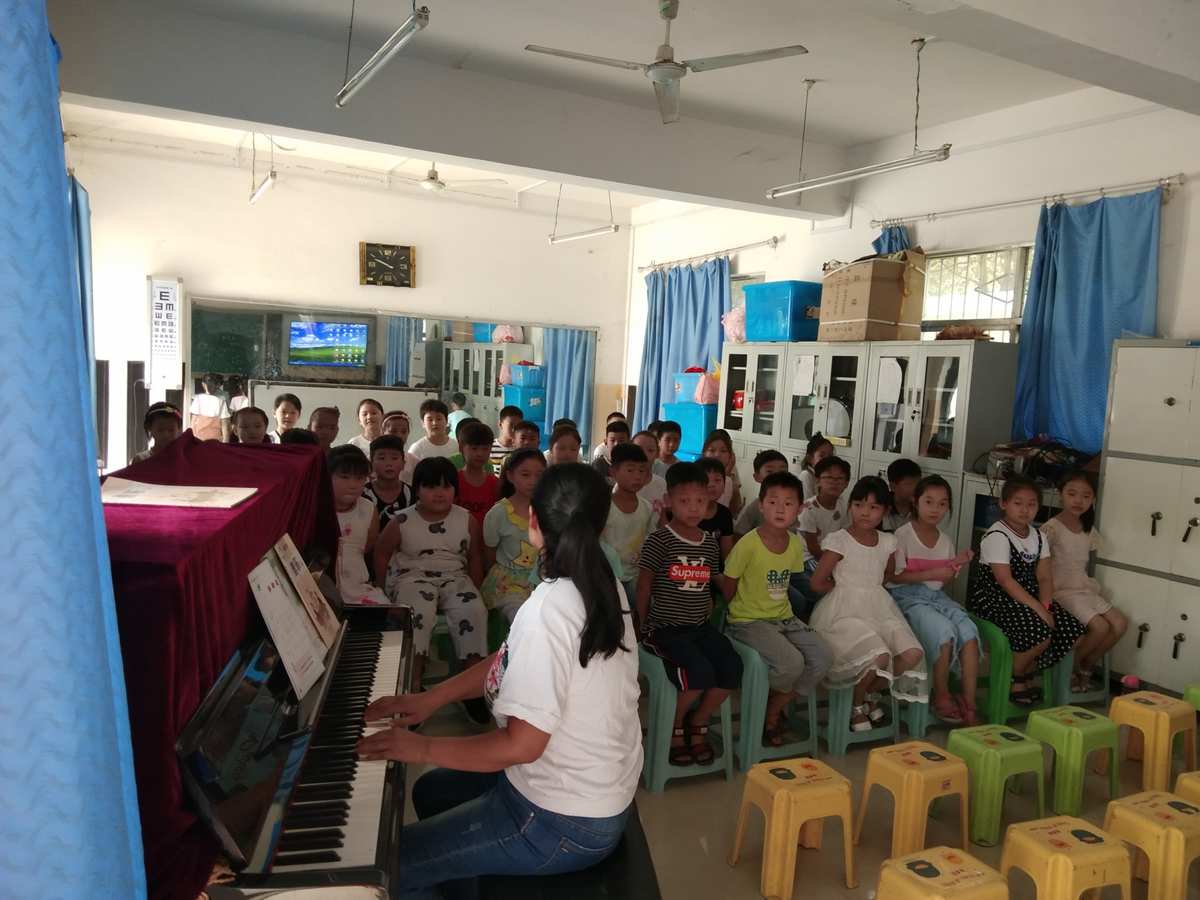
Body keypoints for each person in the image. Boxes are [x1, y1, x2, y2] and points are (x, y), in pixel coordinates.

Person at [358, 464, 641, 895]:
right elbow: (512, 656)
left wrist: (421, 746)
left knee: (392, 867)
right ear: (600, 525)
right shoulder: (600, 577)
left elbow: (522, 746)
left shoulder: (550, 608)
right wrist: (432, 698)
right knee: (433, 791)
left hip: (562, 820)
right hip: (597, 790)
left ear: (533, 519)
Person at [637, 462, 742, 766]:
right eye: (685, 501)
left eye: (700, 501)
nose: (693, 508)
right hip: (666, 628)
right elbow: (644, 586)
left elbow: (708, 584)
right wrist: (642, 626)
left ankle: (699, 719)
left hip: (699, 626)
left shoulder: (709, 543)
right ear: (669, 501)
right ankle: (676, 723)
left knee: (732, 667)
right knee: (699, 673)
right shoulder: (659, 540)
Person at [720, 472, 832, 746]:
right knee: (791, 663)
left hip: (784, 618)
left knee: (823, 657)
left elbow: (790, 581)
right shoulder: (747, 544)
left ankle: (775, 705)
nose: (780, 509)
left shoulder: (795, 543)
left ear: (800, 508)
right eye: (773, 502)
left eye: (788, 503)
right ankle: (761, 705)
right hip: (748, 620)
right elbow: (728, 584)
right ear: (761, 505)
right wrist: (734, 616)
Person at [810, 476, 927, 732]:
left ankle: (869, 695)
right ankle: (856, 705)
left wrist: (868, 589)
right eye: (859, 504)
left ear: (884, 511)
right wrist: (845, 588)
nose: (865, 512)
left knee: (912, 653)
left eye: (874, 507)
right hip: (843, 612)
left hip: (879, 607)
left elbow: (885, 576)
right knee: (879, 655)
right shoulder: (839, 540)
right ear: (850, 506)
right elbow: (817, 582)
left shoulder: (887, 542)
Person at [968, 475, 1085, 706]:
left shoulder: (1039, 536)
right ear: (1004, 504)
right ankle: (1015, 676)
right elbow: (1005, 581)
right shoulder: (997, 535)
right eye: (1018, 503)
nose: (1025, 510)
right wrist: (1040, 611)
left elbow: (1044, 577)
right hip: (996, 598)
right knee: (1040, 632)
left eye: (1031, 504)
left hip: (1029, 596)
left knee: (1074, 631)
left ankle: (1026, 671)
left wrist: (1047, 606)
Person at [373, 457, 488, 690]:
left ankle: (472, 685)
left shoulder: (465, 519)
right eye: (431, 486)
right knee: (417, 612)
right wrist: (382, 591)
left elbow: (475, 556)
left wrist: (476, 588)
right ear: (417, 490)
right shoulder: (402, 520)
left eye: (446, 486)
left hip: (455, 578)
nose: (439, 493)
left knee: (474, 609)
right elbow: (381, 554)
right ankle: (413, 679)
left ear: (455, 490)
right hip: (412, 578)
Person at [887, 475, 980, 725]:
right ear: (916, 502)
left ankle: (969, 702)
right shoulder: (902, 535)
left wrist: (955, 566)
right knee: (944, 631)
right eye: (929, 501)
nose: (935, 509)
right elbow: (893, 576)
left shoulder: (946, 541)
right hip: (906, 599)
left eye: (942, 503)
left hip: (936, 598)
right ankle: (941, 695)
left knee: (969, 632)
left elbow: (940, 583)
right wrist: (933, 573)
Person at [1041, 470, 1127, 693]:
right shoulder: (1051, 528)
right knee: (1099, 626)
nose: (1079, 500)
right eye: (1072, 494)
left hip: (1084, 589)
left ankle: (1086, 663)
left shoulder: (1088, 530)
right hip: (1062, 591)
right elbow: (1040, 568)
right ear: (1061, 495)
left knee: (1119, 623)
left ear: (1093, 500)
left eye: (1086, 496)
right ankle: (1070, 669)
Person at [481, 448, 547, 623]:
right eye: (525, 475)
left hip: (543, 578)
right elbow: (489, 556)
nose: (533, 481)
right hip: (507, 583)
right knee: (522, 615)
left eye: (539, 475)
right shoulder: (498, 513)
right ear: (510, 476)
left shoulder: (550, 509)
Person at [328, 445, 389, 607]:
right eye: (345, 477)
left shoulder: (368, 509)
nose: (353, 485)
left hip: (358, 587)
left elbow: (368, 546)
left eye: (360, 478)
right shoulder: (314, 509)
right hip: (321, 587)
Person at [603, 443, 656, 601]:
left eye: (642, 470)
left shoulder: (647, 507)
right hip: (607, 577)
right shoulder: (604, 505)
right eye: (630, 470)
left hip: (635, 576)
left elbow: (649, 540)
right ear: (613, 472)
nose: (637, 476)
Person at [798, 456, 851, 559]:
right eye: (829, 477)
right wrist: (831, 563)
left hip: (831, 554)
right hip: (808, 558)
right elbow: (813, 548)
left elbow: (845, 535)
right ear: (817, 481)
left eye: (840, 478)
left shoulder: (842, 506)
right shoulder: (808, 509)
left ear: (846, 483)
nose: (834, 482)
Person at [734, 449, 791, 535]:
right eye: (769, 472)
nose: (777, 477)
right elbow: (738, 535)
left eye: (782, 472)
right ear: (757, 476)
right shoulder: (754, 507)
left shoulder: (790, 505)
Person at [362, 435, 410, 531]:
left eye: (394, 458)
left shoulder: (410, 494)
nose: (389, 463)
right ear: (371, 464)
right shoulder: (363, 493)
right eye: (382, 458)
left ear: (403, 464)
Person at [457, 421, 500, 528]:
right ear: (461, 448)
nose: (480, 454)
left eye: (485, 449)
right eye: (474, 448)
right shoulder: (453, 481)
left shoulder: (495, 483)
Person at [696, 456, 735, 561]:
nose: (712, 485)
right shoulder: (685, 512)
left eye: (717, 480)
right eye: (705, 479)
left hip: (715, 572)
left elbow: (726, 555)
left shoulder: (725, 514)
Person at [702, 429, 743, 517]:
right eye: (712, 450)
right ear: (704, 453)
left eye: (723, 451)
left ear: (730, 455)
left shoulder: (731, 474)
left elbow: (735, 510)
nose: (717, 455)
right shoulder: (697, 474)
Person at [633, 430, 669, 521]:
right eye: (638, 449)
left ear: (657, 454)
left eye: (650, 450)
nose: (644, 455)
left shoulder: (662, 484)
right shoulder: (623, 484)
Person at [882, 458, 922, 532]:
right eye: (909, 484)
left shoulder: (922, 509)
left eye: (918, 483)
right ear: (893, 487)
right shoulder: (881, 508)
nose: (916, 488)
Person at [190, 373, 230, 441]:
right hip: (200, 441)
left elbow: (225, 426)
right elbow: (193, 424)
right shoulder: (198, 399)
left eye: (212, 384)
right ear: (203, 384)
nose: (210, 386)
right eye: (209, 383)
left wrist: (225, 443)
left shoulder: (221, 401)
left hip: (213, 442)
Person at [796, 433, 834, 503]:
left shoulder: (826, 476)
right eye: (821, 456)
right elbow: (808, 506)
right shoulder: (806, 475)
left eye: (830, 456)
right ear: (810, 458)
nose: (827, 460)